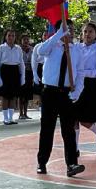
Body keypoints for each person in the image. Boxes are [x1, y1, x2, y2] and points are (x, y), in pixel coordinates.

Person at [36, 19, 86, 177]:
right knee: (47, 129)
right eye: (66, 28)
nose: (70, 31)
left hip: (66, 93)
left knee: (69, 130)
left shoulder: (76, 50)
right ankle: (42, 162)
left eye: (71, 29)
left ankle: (71, 163)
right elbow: (40, 51)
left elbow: (80, 73)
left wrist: (77, 92)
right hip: (50, 92)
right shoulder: (52, 46)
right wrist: (58, 35)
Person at [74, 22, 96, 154]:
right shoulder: (76, 48)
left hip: (90, 86)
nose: (87, 34)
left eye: (90, 32)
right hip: (76, 84)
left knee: (85, 120)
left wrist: (85, 72)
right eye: (85, 32)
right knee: (73, 118)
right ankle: (75, 148)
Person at [0, 29, 25, 125]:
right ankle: (5, 118)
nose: (11, 37)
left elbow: (21, 63)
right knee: (5, 96)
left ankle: (11, 118)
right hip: (4, 71)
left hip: (15, 71)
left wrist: (22, 76)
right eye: (9, 35)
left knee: (13, 96)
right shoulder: (1, 48)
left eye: (13, 35)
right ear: (5, 37)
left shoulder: (18, 48)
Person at [19, 34, 34, 120]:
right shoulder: (18, 49)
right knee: (21, 94)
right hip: (21, 73)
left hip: (29, 73)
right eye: (24, 39)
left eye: (27, 40)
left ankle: (25, 113)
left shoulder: (32, 49)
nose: (26, 41)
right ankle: (21, 113)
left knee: (28, 94)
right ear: (21, 41)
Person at [32, 32, 47, 97]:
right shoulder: (37, 46)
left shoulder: (54, 46)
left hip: (49, 68)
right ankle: (40, 106)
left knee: (47, 89)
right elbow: (34, 60)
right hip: (40, 67)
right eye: (44, 35)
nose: (46, 36)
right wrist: (35, 73)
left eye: (47, 35)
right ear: (42, 36)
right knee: (40, 90)